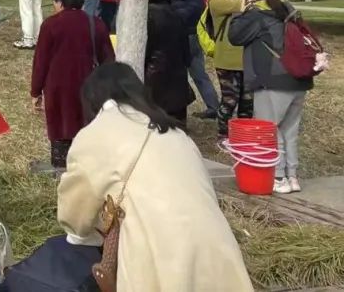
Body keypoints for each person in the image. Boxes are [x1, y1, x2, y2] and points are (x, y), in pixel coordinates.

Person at [56, 62, 255, 292]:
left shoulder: (98, 133)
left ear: (92, 100)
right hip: (217, 248)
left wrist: (90, 234)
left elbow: (75, 213)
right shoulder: (174, 131)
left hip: (162, 255)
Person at [228, 0, 315, 194]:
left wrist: (240, 12)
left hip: (272, 80)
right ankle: (292, 176)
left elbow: (234, 36)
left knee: (269, 129)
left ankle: (277, 177)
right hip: (298, 79)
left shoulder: (256, 16)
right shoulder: (288, 10)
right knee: (289, 130)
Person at [31, 0, 115, 170]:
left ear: (59, 2)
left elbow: (41, 62)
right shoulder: (96, 24)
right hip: (89, 85)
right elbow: (109, 60)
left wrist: (35, 91)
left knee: (60, 124)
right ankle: (85, 164)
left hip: (57, 87)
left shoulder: (51, 25)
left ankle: (61, 164)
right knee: (85, 124)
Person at [171, 0, 219, 120]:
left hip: (189, 33)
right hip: (182, 31)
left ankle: (213, 107)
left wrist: (174, 15)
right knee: (193, 73)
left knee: (196, 72)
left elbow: (195, 6)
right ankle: (212, 106)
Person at [207, 0, 253, 140]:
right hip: (227, 61)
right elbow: (244, 5)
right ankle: (223, 136)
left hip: (244, 59)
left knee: (247, 102)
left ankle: (243, 136)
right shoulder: (217, 1)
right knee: (229, 101)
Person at [145, 0, 193, 128]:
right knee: (177, 131)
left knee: (155, 130)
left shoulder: (145, 15)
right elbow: (187, 55)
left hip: (153, 83)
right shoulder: (177, 15)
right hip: (178, 81)